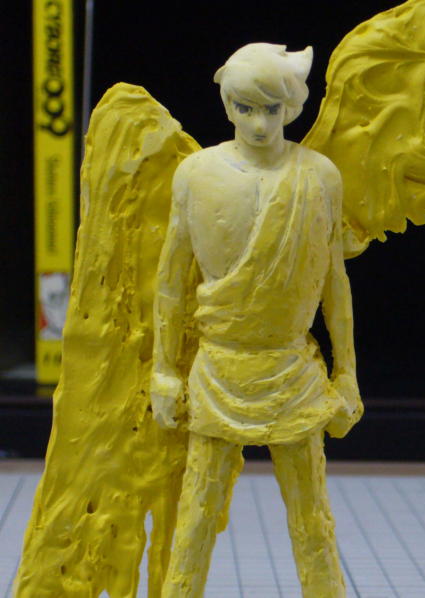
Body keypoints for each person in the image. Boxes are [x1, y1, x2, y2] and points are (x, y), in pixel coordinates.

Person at [149, 43, 362, 598]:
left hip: (293, 371)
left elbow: (334, 283)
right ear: (226, 104)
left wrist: (347, 374)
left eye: (272, 109)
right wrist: (163, 371)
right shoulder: (196, 174)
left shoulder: (320, 176)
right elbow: (171, 280)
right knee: (196, 516)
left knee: (311, 518)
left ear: (292, 107)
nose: (260, 123)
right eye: (245, 108)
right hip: (218, 368)